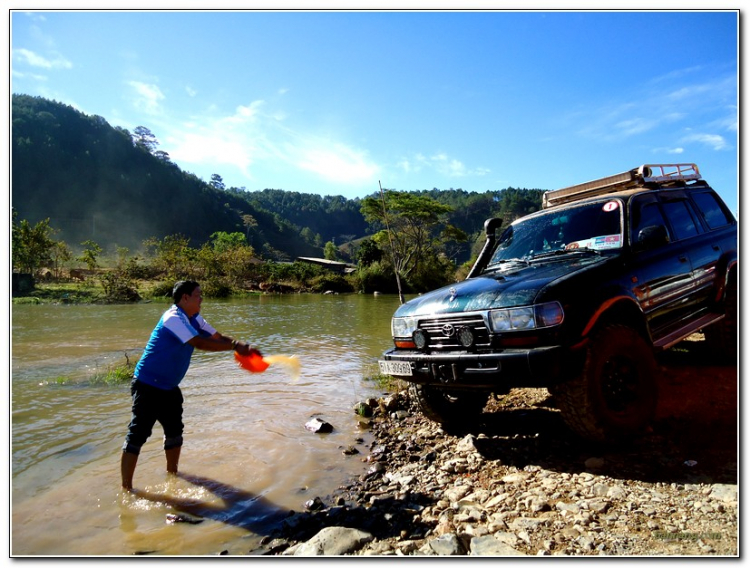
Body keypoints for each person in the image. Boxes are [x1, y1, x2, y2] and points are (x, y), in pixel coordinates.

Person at [120, 280, 259, 491]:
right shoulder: (173, 318)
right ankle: (127, 490)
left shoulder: (195, 319)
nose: (201, 298)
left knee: (175, 432)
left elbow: (217, 337)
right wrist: (233, 346)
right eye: (198, 295)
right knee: (137, 435)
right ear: (185, 297)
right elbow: (200, 343)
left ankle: (173, 477)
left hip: (169, 387)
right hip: (147, 385)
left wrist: (240, 346)